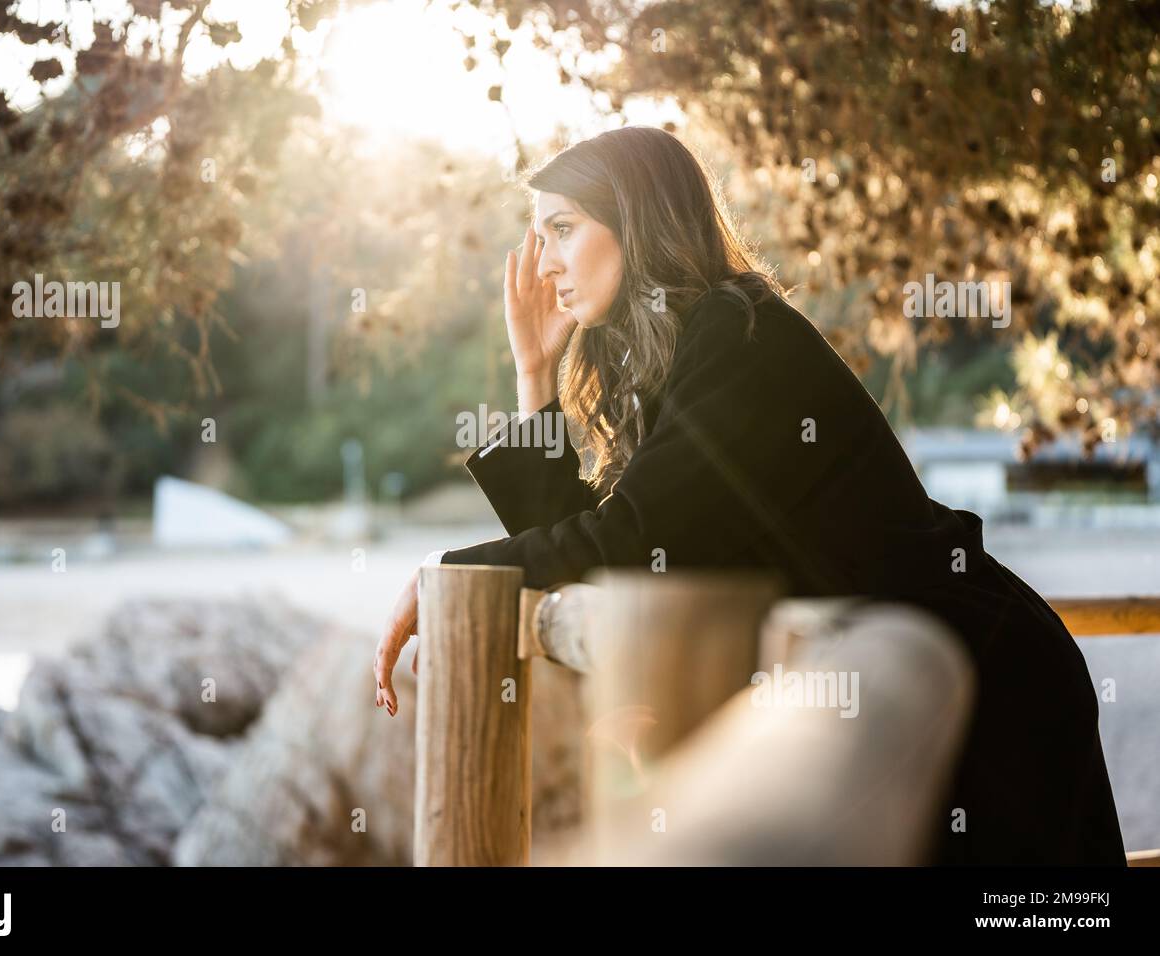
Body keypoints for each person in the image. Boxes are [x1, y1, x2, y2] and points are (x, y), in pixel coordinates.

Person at [372, 125, 1127, 866]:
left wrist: (446, 571)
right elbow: (603, 553)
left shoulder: (743, 338)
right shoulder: (683, 349)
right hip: (899, 679)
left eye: (563, 230)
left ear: (637, 222)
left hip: (982, 689)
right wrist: (534, 377)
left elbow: (629, 539)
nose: (545, 267)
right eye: (537, 238)